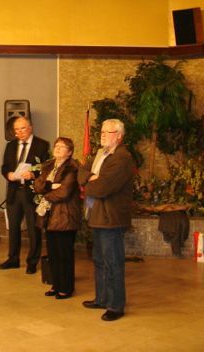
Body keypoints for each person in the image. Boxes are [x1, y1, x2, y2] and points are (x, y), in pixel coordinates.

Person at [78, 118, 134, 321]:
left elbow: (102, 188)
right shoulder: (101, 153)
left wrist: (90, 181)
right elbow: (81, 171)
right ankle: (102, 298)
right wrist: (90, 177)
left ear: (119, 136)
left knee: (113, 262)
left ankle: (116, 305)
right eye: (101, 131)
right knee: (99, 260)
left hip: (111, 217)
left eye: (107, 132)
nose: (102, 135)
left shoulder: (122, 158)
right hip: (97, 214)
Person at [0, 116, 50, 274]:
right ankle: (13, 258)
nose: (19, 132)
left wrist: (34, 176)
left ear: (30, 127)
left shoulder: (42, 145)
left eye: (22, 128)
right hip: (14, 192)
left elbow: (47, 168)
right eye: (16, 130)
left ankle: (32, 261)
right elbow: (5, 166)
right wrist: (8, 174)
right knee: (13, 228)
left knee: (33, 228)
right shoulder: (11, 146)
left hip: (31, 193)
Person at [33, 137, 81, 299]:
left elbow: (65, 192)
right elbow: (37, 185)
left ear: (69, 152)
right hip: (50, 216)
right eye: (56, 146)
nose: (58, 149)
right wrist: (50, 186)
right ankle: (56, 284)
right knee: (53, 252)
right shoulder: (48, 165)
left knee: (64, 253)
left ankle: (66, 288)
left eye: (62, 147)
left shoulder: (73, 167)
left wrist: (47, 191)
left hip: (65, 216)